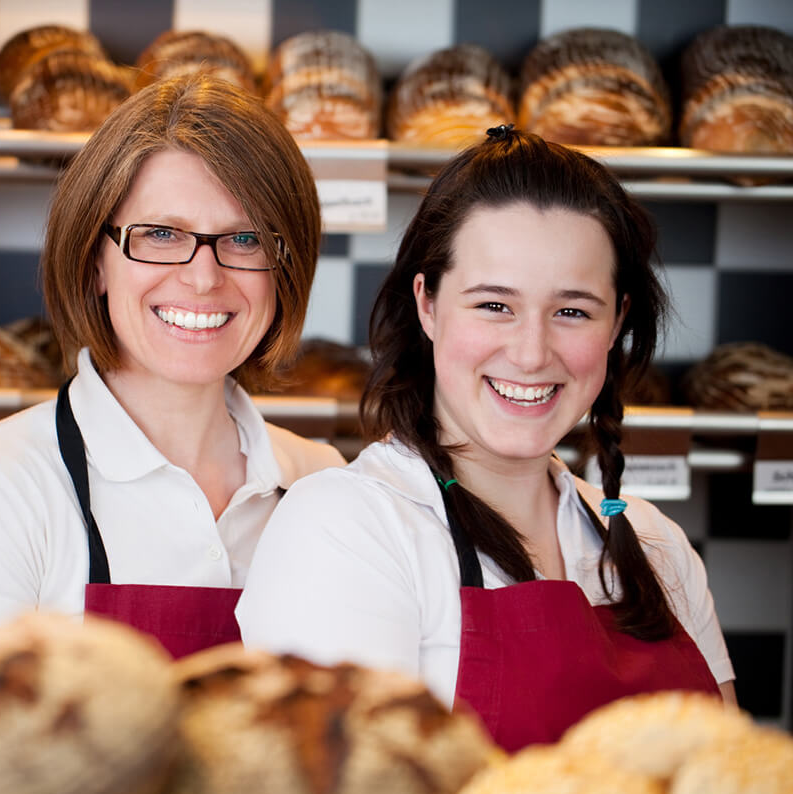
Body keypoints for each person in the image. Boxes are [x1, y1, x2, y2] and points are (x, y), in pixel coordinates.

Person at [236, 127, 735, 752]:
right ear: (427, 305)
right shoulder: (349, 526)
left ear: (618, 323)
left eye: (573, 311)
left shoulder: (657, 545)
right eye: (495, 305)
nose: (531, 353)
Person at [0, 73, 344, 677]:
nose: (204, 277)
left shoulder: (322, 487)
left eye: (245, 237)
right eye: (160, 234)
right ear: (95, 259)